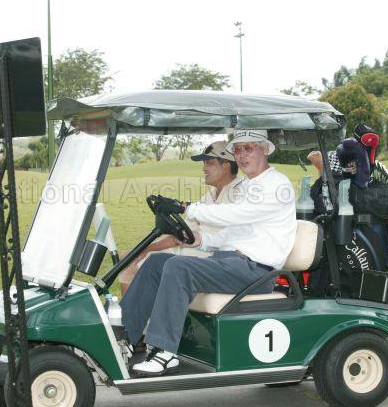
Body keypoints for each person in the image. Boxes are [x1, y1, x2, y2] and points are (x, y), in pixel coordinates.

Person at [121, 129, 297, 377]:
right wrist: (201, 240)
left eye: (249, 148)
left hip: (257, 272)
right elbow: (232, 232)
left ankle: (164, 351)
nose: (243, 155)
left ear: (265, 149)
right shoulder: (249, 186)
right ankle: (126, 338)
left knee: (178, 267)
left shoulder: (277, 185)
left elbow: (236, 215)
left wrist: (187, 208)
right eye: (238, 149)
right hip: (230, 263)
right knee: (158, 262)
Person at [118, 141, 243, 294]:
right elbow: (182, 235)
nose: (204, 168)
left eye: (209, 163)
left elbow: (229, 241)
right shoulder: (208, 197)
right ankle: (129, 314)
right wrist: (144, 249)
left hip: (216, 259)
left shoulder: (241, 193)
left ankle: (128, 316)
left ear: (226, 166)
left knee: (137, 263)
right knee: (128, 257)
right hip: (193, 253)